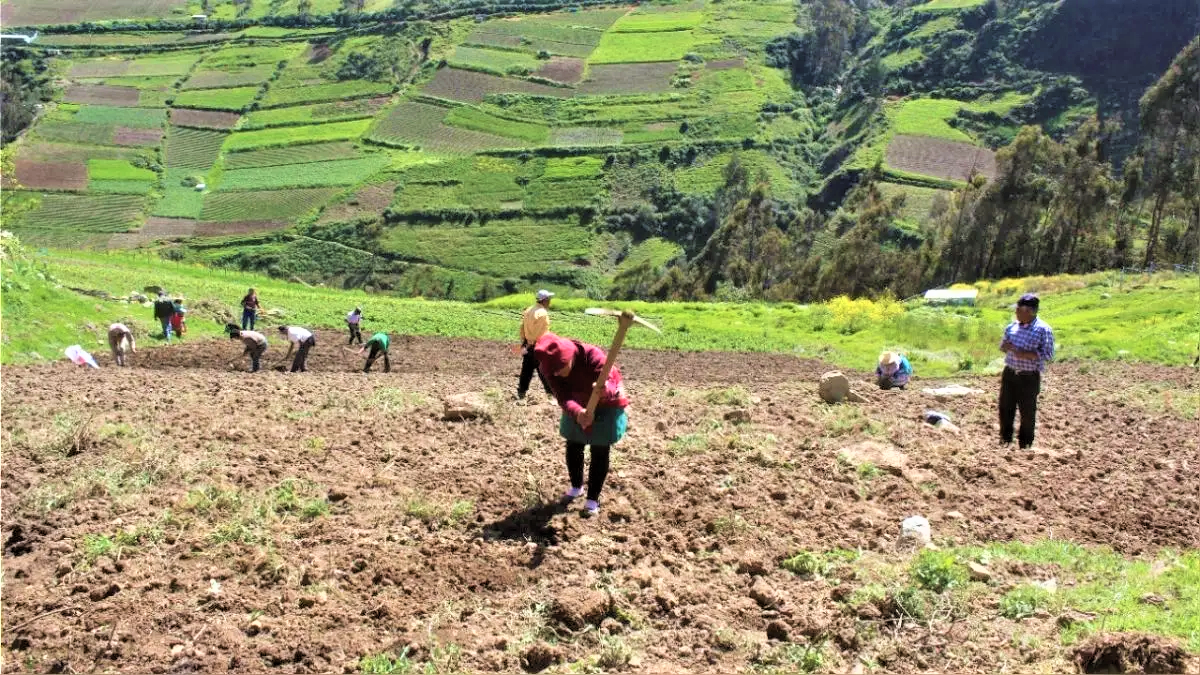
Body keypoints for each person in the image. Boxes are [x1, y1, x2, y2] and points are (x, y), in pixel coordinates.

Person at [533, 332, 629, 517]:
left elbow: (609, 382)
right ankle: (577, 487)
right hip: (576, 402)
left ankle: (592, 499)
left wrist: (604, 390)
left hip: (606, 403)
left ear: (568, 357)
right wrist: (578, 413)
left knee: (600, 447)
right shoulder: (549, 369)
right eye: (553, 371)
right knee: (573, 443)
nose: (557, 373)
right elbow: (562, 396)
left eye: (560, 368)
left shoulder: (593, 356)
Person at [999, 293, 1055, 449]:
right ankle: (1005, 440)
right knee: (1005, 408)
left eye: (1018, 309)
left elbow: (1048, 355)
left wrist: (1025, 354)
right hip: (1010, 373)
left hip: (1028, 377)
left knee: (1027, 412)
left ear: (1029, 311)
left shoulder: (1043, 330)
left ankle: (1025, 445)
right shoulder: (1012, 327)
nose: (1016, 312)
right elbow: (1003, 346)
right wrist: (1006, 347)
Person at [517, 290, 554, 400]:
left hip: (528, 344)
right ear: (544, 300)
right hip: (538, 345)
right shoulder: (542, 313)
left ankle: (521, 392)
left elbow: (522, 327)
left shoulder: (529, 310)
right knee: (544, 370)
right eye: (549, 299)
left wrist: (525, 342)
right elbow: (539, 332)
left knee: (526, 370)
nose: (550, 301)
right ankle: (551, 394)